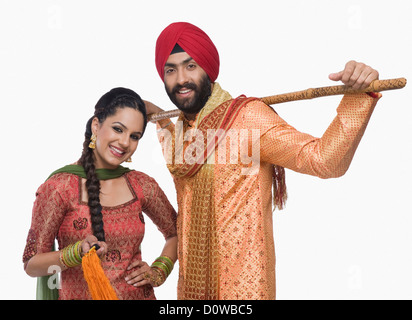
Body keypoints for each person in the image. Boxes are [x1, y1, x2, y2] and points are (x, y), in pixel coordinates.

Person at [145, 22, 381, 300]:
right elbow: (182, 157)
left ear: (208, 69)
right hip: (191, 293)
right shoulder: (183, 131)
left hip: (244, 292)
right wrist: (155, 113)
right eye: (170, 70)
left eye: (190, 66)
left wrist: (358, 95)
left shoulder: (248, 118)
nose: (181, 79)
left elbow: (325, 161)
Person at [23, 87, 178, 300]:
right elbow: (31, 264)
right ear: (96, 125)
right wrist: (75, 253)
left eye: (134, 136)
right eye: (118, 129)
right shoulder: (59, 187)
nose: (125, 142)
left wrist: (159, 271)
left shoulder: (141, 184)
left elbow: (177, 232)